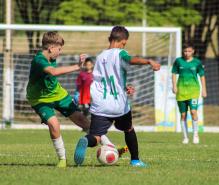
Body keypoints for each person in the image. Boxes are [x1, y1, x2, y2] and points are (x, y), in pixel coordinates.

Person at [74, 26, 160, 167]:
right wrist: (149, 61)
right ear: (123, 42)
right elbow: (131, 59)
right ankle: (135, 160)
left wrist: (124, 86)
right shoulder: (120, 53)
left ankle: (86, 141)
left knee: (96, 136)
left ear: (110, 39)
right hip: (118, 104)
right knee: (129, 129)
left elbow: (106, 79)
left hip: (100, 104)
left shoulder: (100, 57)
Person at [26, 31, 90, 168]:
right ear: (51, 48)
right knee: (54, 125)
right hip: (40, 99)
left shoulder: (51, 57)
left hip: (58, 93)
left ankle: (107, 146)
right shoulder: (39, 60)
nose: (60, 52)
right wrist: (77, 66)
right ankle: (62, 159)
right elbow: (53, 72)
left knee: (82, 120)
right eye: (59, 49)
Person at [172, 42, 207, 144]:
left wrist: (204, 89)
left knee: (193, 112)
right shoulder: (178, 61)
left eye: (189, 51)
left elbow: (202, 76)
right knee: (183, 115)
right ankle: (185, 137)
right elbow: (174, 73)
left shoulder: (197, 62)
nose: (187, 53)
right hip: (181, 91)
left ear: (193, 52)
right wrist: (174, 86)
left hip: (193, 91)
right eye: (185, 51)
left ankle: (195, 134)